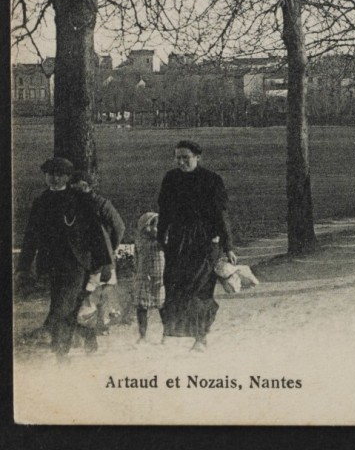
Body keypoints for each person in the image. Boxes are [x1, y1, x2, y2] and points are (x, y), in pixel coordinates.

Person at [17, 157, 112, 361]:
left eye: (59, 174)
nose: (54, 178)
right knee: (65, 306)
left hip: (76, 262)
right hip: (52, 263)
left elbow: (95, 233)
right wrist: (23, 266)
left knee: (62, 306)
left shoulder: (79, 200)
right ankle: (85, 335)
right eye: (50, 174)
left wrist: (104, 263)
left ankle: (61, 351)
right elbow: (31, 236)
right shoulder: (41, 202)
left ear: (68, 177)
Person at [157, 140, 236, 351]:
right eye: (178, 158)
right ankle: (175, 331)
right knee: (174, 286)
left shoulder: (211, 180)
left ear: (197, 157)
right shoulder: (171, 179)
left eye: (186, 158)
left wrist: (228, 246)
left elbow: (221, 216)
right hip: (178, 242)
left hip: (205, 242)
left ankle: (201, 336)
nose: (181, 162)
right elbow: (164, 212)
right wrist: (160, 238)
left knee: (200, 288)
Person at [69, 170, 126, 334]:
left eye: (76, 184)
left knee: (99, 291)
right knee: (90, 292)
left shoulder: (101, 204)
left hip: (100, 257)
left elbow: (119, 227)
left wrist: (112, 247)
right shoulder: (74, 203)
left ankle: (98, 326)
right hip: (84, 257)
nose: (73, 187)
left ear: (85, 186)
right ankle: (92, 327)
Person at [133, 212, 166, 342]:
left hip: (160, 279)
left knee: (163, 307)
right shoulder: (140, 242)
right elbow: (136, 259)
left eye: (157, 226)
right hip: (143, 278)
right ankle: (142, 336)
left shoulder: (163, 241)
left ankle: (166, 335)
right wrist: (138, 273)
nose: (154, 229)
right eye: (150, 226)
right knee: (141, 307)